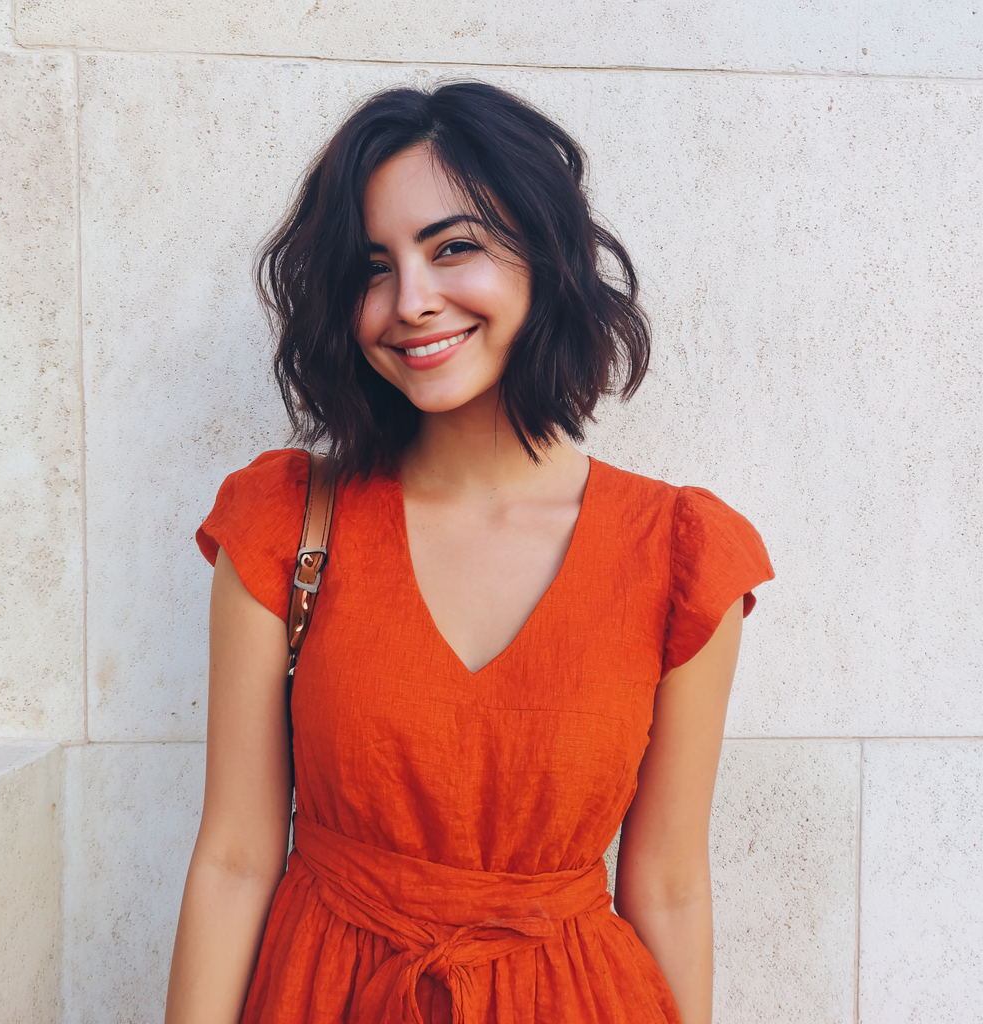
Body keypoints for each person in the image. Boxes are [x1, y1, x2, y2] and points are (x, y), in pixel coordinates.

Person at [165, 82, 773, 1024]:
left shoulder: (680, 556)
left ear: (544, 254)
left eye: (454, 247)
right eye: (373, 267)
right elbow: (237, 858)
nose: (411, 301)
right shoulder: (284, 522)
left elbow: (669, 884)